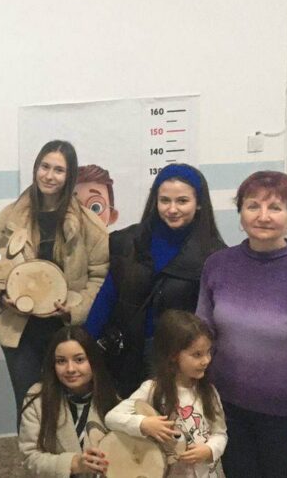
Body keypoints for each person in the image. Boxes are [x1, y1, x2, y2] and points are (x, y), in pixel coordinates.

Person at [197, 171, 287, 478]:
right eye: (253, 206)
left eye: (275, 207)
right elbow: (202, 334)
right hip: (226, 406)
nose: (263, 216)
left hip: (285, 416)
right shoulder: (218, 265)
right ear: (240, 213)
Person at [0, 139, 109, 426]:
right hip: (19, 331)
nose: (49, 175)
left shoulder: (89, 225)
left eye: (59, 170)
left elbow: (101, 275)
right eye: (45, 167)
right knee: (29, 405)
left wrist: (75, 309)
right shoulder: (10, 217)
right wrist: (0, 298)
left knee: (71, 406)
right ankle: (33, 454)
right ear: (36, 169)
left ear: (69, 176)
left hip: (66, 331)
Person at [84, 164, 226, 397]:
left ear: (199, 203)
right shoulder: (127, 241)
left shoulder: (214, 256)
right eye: (164, 200)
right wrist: (85, 346)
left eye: (182, 201)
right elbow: (108, 295)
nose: (172, 209)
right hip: (125, 357)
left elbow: (213, 322)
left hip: (178, 361)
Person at [106, 310, 228, 478]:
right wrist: (143, 424)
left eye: (208, 352)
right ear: (173, 355)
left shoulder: (209, 392)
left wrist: (209, 450)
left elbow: (220, 433)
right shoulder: (153, 389)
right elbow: (112, 418)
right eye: (197, 355)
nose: (206, 360)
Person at [18, 326, 117, 478]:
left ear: (93, 361)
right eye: (61, 361)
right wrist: (75, 464)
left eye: (79, 360)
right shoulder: (38, 397)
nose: (70, 369)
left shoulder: (114, 399)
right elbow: (29, 459)